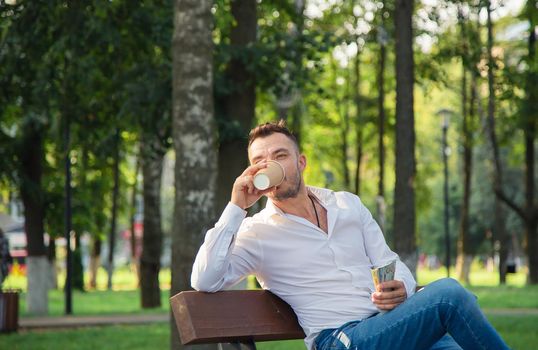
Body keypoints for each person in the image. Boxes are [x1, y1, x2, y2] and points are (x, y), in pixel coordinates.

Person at [191, 121, 509, 350]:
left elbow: (390, 263)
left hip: (392, 327)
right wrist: (236, 207)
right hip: (342, 340)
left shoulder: (346, 204)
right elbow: (205, 280)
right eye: (259, 161)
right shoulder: (256, 231)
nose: (269, 165)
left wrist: (402, 285)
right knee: (449, 294)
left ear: (300, 162)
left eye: (280, 155)